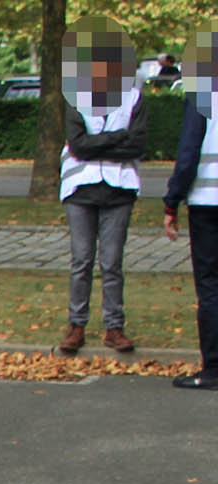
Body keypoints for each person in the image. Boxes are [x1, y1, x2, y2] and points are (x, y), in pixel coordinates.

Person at [58, 27, 147, 355]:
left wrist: (105, 145)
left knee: (112, 262)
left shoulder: (134, 97)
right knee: (81, 260)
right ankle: (76, 325)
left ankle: (114, 327)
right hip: (81, 187)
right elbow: (79, 147)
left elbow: (138, 144)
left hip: (120, 188)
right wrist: (116, 139)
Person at [161, 36, 217, 388]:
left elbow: (188, 154)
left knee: (210, 287)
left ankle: (213, 368)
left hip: (208, 202)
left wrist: (171, 201)